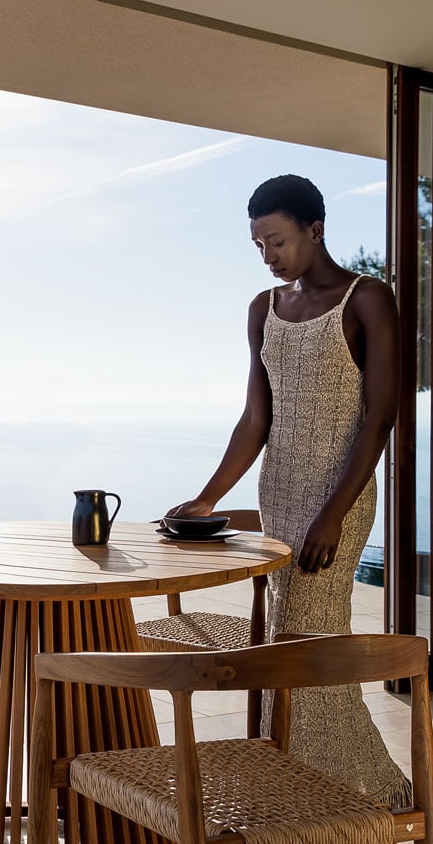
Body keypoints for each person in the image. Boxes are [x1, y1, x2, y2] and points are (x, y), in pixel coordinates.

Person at [169, 173, 411, 807]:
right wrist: (208, 499)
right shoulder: (264, 309)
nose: (268, 254)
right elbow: (257, 419)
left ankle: (359, 796)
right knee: (289, 641)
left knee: (311, 643)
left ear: (316, 230)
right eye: (258, 244)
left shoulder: (367, 300)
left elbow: (380, 416)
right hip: (280, 495)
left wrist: (333, 515)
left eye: (276, 240)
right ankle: (309, 789)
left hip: (341, 496)